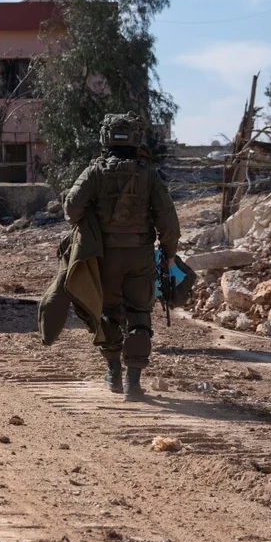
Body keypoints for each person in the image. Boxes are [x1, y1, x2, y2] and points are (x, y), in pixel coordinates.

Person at [62, 113, 180, 400]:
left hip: (104, 258)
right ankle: (134, 383)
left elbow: (71, 209)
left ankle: (113, 371)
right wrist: (169, 254)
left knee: (108, 312)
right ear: (136, 138)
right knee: (140, 313)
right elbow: (168, 219)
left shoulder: (95, 171)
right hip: (140, 256)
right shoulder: (149, 173)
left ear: (106, 138)